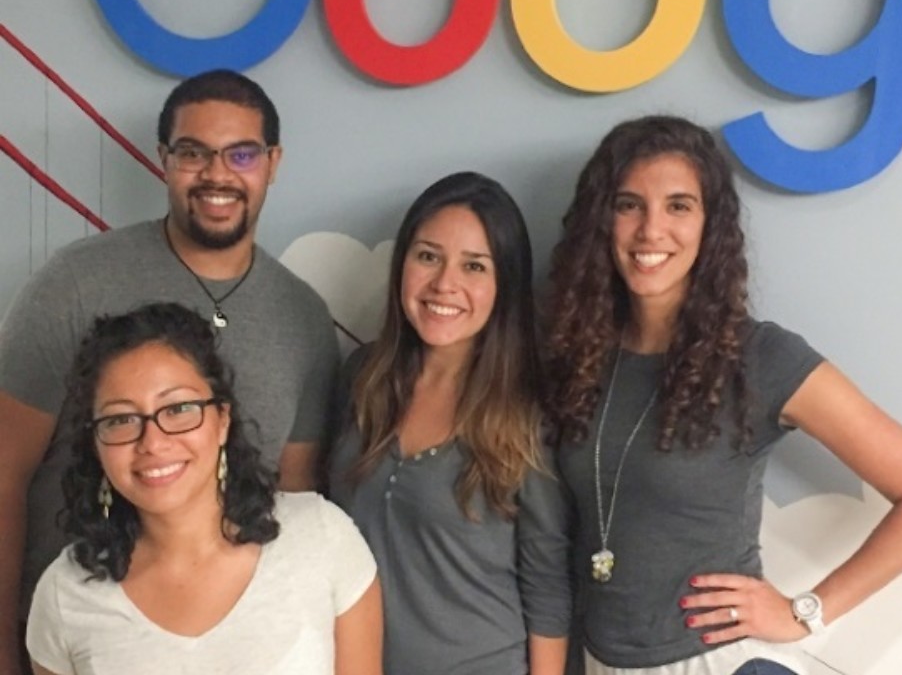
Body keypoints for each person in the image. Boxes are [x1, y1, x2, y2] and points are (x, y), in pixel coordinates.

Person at [544, 116, 902, 675]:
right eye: (629, 205)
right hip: (601, 660)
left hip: (713, 661)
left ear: (709, 225)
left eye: (678, 206)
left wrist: (804, 612)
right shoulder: (578, 354)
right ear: (603, 220)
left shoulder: (760, 357)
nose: (651, 230)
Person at [0, 69, 339, 674]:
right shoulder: (75, 285)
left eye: (240, 153)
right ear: (164, 159)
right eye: (193, 152)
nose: (216, 174)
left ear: (272, 161)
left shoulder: (305, 318)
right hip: (77, 646)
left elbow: (294, 507)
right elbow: (4, 471)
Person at [24, 302, 381, 675]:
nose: (153, 442)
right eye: (121, 419)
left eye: (178, 409)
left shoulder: (322, 538)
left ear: (222, 420)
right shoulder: (65, 596)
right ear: (95, 443)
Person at [329, 172, 572, 674]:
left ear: (504, 284)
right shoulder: (363, 380)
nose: (445, 284)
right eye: (428, 256)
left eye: (474, 266)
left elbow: (547, 581)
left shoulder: (529, 410)